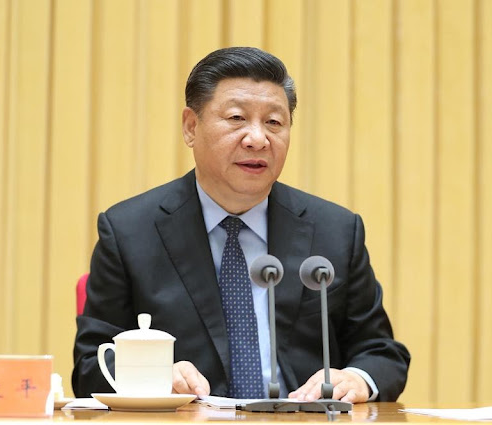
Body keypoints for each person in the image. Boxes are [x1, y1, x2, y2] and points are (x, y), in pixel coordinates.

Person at [73, 47, 410, 403]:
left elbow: (381, 352)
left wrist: (356, 379)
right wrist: (153, 378)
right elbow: (88, 366)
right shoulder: (129, 231)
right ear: (191, 127)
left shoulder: (335, 231)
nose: (258, 138)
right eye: (236, 118)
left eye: (274, 123)